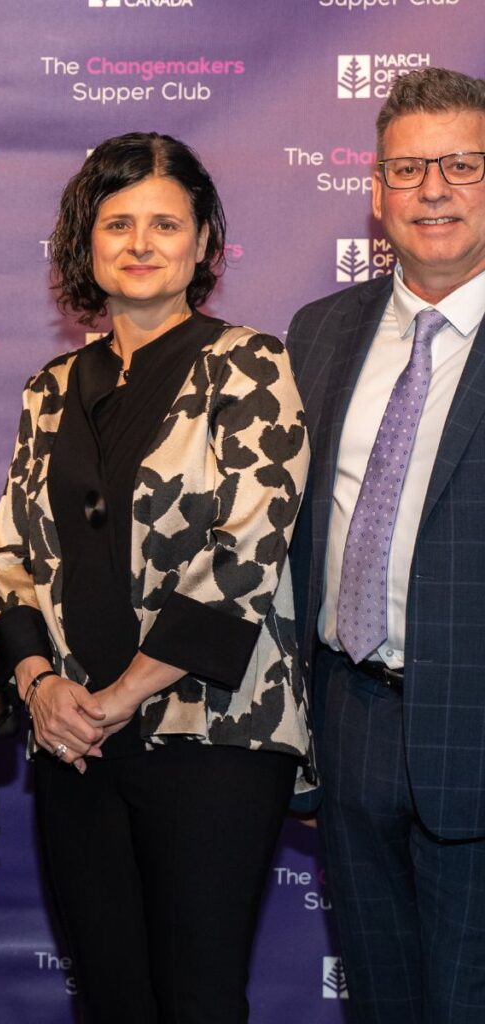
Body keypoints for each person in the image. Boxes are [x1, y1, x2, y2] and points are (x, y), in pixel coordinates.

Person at [0, 132, 313, 1023]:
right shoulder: (49, 389)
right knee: (111, 998)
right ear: (84, 245)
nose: (140, 243)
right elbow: (12, 558)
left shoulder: (250, 365)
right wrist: (41, 685)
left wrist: (122, 693)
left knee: (198, 997)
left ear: (205, 241)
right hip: (72, 739)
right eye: (117, 222)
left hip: (210, 733)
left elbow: (247, 552)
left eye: (165, 223)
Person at [287, 67, 485, 1023]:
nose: (433, 189)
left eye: (461, 164)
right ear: (374, 192)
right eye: (409, 169)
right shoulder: (319, 333)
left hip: (477, 732)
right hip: (350, 722)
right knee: (381, 1004)